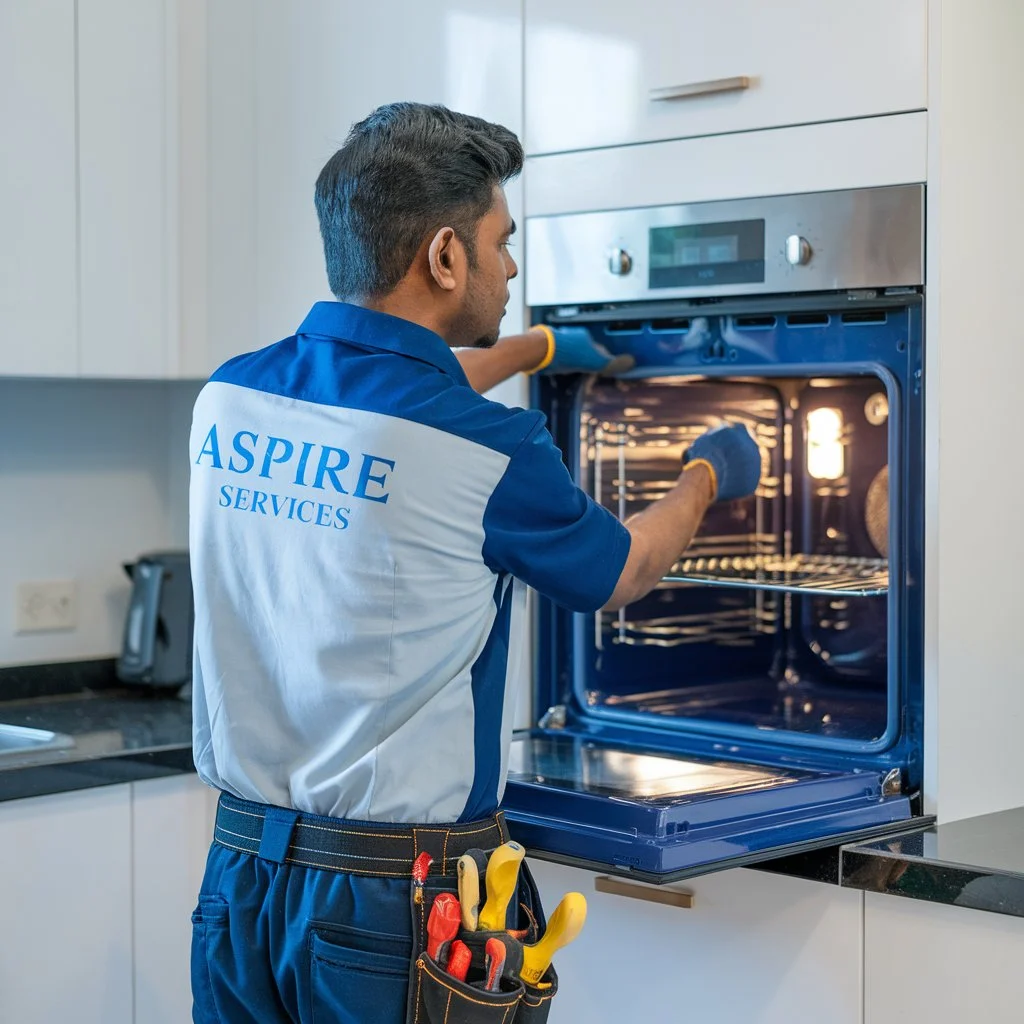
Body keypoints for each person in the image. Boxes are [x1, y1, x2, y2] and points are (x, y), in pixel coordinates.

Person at [188, 101, 761, 1023]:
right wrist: (705, 473)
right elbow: (623, 570)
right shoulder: (490, 451)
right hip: (400, 900)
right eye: (503, 241)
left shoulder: (230, 397)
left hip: (241, 877)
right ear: (446, 256)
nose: (513, 265)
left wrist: (529, 348)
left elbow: (393, 410)